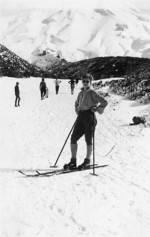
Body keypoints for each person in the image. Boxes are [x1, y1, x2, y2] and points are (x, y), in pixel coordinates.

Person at [64, 73, 108, 170]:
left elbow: (104, 102)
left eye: (87, 81)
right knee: (73, 138)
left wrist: (96, 108)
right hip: (81, 116)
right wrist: (77, 110)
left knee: (88, 140)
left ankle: (87, 161)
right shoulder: (80, 93)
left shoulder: (93, 93)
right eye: (83, 81)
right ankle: (73, 161)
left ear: (90, 82)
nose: (85, 83)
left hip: (90, 117)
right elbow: (76, 103)